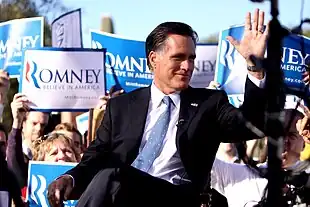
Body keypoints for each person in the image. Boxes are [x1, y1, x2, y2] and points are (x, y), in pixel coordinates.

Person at [48, 9, 268, 207]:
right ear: (154, 59)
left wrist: (255, 67)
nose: (187, 66)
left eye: (191, 58)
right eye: (178, 58)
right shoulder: (121, 107)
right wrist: (70, 179)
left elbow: (251, 126)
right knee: (111, 176)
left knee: (112, 176)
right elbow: (94, 159)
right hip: (125, 196)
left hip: (177, 198)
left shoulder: (209, 103)